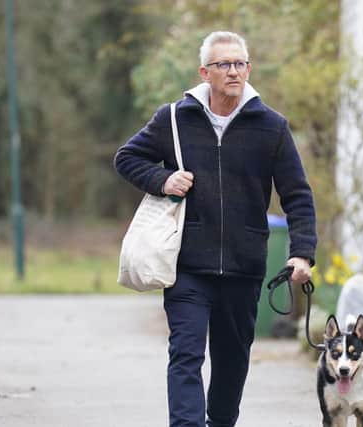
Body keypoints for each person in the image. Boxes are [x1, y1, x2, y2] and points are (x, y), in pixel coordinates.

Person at [114, 31, 317, 427]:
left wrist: (302, 252)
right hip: (188, 264)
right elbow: (127, 157)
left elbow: (297, 194)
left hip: (244, 267)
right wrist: (163, 180)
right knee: (186, 353)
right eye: (224, 64)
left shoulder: (271, 126)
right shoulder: (174, 117)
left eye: (240, 63)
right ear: (205, 72)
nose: (234, 71)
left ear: (248, 68)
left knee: (231, 361)